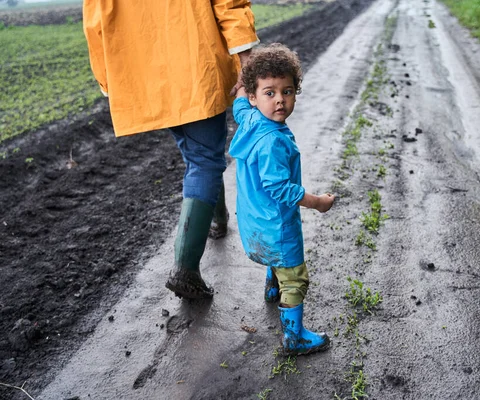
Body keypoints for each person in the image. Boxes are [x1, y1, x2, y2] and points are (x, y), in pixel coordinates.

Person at [82, 0, 259, 299]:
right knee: (204, 158)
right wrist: (246, 60)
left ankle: (217, 219)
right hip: (194, 63)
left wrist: (108, 80)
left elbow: (95, 20)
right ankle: (185, 269)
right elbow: (229, 4)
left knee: (201, 155)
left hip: (144, 74)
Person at [229, 43, 335, 355]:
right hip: (277, 225)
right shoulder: (274, 141)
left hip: (254, 221)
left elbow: (238, 104)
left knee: (276, 260)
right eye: (269, 92)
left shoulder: (248, 118)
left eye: (287, 92)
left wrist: (241, 82)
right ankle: (294, 338)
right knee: (296, 278)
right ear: (255, 96)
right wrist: (317, 202)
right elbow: (280, 189)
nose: (279, 101)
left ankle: (271, 284)